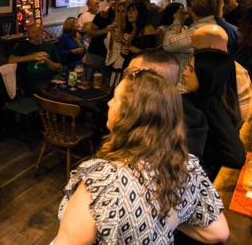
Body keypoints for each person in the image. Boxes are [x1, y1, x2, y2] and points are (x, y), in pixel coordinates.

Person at [53, 69, 229, 244]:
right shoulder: (187, 166)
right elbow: (218, 233)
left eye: (115, 98)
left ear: (129, 114)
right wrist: (164, 222)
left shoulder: (104, 182)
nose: (109, 104)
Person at [127, 49, 209, 159]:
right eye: (127, 74)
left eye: (133, 75)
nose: (125, 81)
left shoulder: (190, 121)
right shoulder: (125, 105)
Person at [183, 48, 245, 178]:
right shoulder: (222, 97)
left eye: (191, 70)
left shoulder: (211, 104)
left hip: (207, 177)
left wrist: (206, 153)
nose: (184, 73)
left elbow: (237, 157)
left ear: (207, 75)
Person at [163, 0, 217, 92]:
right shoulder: (210, 25)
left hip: (184, 87)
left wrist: (177, 21)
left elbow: (167, 45)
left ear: (191, 8)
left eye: (187, 5)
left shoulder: (199, 31)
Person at [8, 23, 61, 95]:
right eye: (31, 32)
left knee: (63, 90)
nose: (34, 34)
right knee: (46, 92)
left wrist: (47, 61)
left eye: (37, 31)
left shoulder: (50, 46)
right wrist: (32, 57)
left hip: (50, 79)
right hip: (32, 81)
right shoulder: (23, 45)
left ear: (42, 32)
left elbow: (59, 67)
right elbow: (11, 60)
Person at [104, 0, 131, 87]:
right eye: (118, 11)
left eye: (123, 11)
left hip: (125, 67)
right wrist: (112, 34)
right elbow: (108, 48)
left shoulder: (131, 30)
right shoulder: (112, 28)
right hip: (113, 66)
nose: (120, 14)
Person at [120, 2, 157, 68]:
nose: (130, 13)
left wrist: (132, 48)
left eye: (133, 10)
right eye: (129, 10)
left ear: (141, 13)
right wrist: (122, 50)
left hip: (141, 67)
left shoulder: (147, 28)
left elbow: (151, 55)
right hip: (128, 66)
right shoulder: (129, 30)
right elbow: (126, 53)